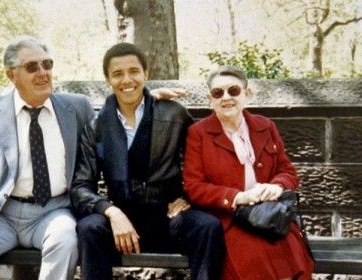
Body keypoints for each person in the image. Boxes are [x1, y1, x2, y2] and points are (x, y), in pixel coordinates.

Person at [0, 35, 95, 280]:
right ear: (11, 75)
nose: (43, 73)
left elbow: (112, 128)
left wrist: (146, 102)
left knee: (66, 240)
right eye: (32, 67)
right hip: (1, 214)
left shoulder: (77, 108)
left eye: (47, 64)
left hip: (54, 212)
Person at [71, 42, 225, 280]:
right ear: (107, 80)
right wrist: (111, 212)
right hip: (124, 222)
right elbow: (81, 186)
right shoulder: (97, 127)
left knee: (208, 227)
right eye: (118, 74)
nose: (127, 80)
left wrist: (188, 197)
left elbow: (204, 162)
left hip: (169, 217)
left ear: (146, 73)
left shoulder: (173, 113)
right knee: (89, 228)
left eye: (134, 71)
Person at [183, 65, 314, 280]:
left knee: (294, 257)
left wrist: (276, 185)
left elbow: (287, 170)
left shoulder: (265, 126)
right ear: (211, 99)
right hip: (232, 220)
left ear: (247, 93)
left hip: (272, 217)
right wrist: (238, 197)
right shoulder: (198, 133)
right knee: (253, 261)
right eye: (218, 93)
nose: (226, 98)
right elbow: (194, 187)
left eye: (233, 91)